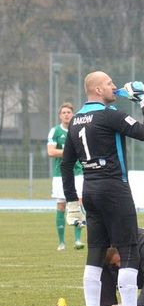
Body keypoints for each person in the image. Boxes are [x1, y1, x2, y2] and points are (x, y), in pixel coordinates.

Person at [61, 72, 144, 306]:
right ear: (96, 89)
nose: (114, 87)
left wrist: (72, 201)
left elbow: (66, 164)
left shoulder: (75, 121)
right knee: (129, 252)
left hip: (90, 191)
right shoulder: (109, 115)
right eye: (109, 83)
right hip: (114, 189)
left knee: (95, 253)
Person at [47, 102, 85, 251]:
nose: (66, 115)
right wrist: (70, 152)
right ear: (60, 115)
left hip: (78, 173)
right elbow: (51, 152)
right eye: (64, 112)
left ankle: (78, 240)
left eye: (69, 112)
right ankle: (61, 242)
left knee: (79, 204)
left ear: (73, 114)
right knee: (61, 206)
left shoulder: (78, 129)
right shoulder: (55, 131)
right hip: (60, 174)